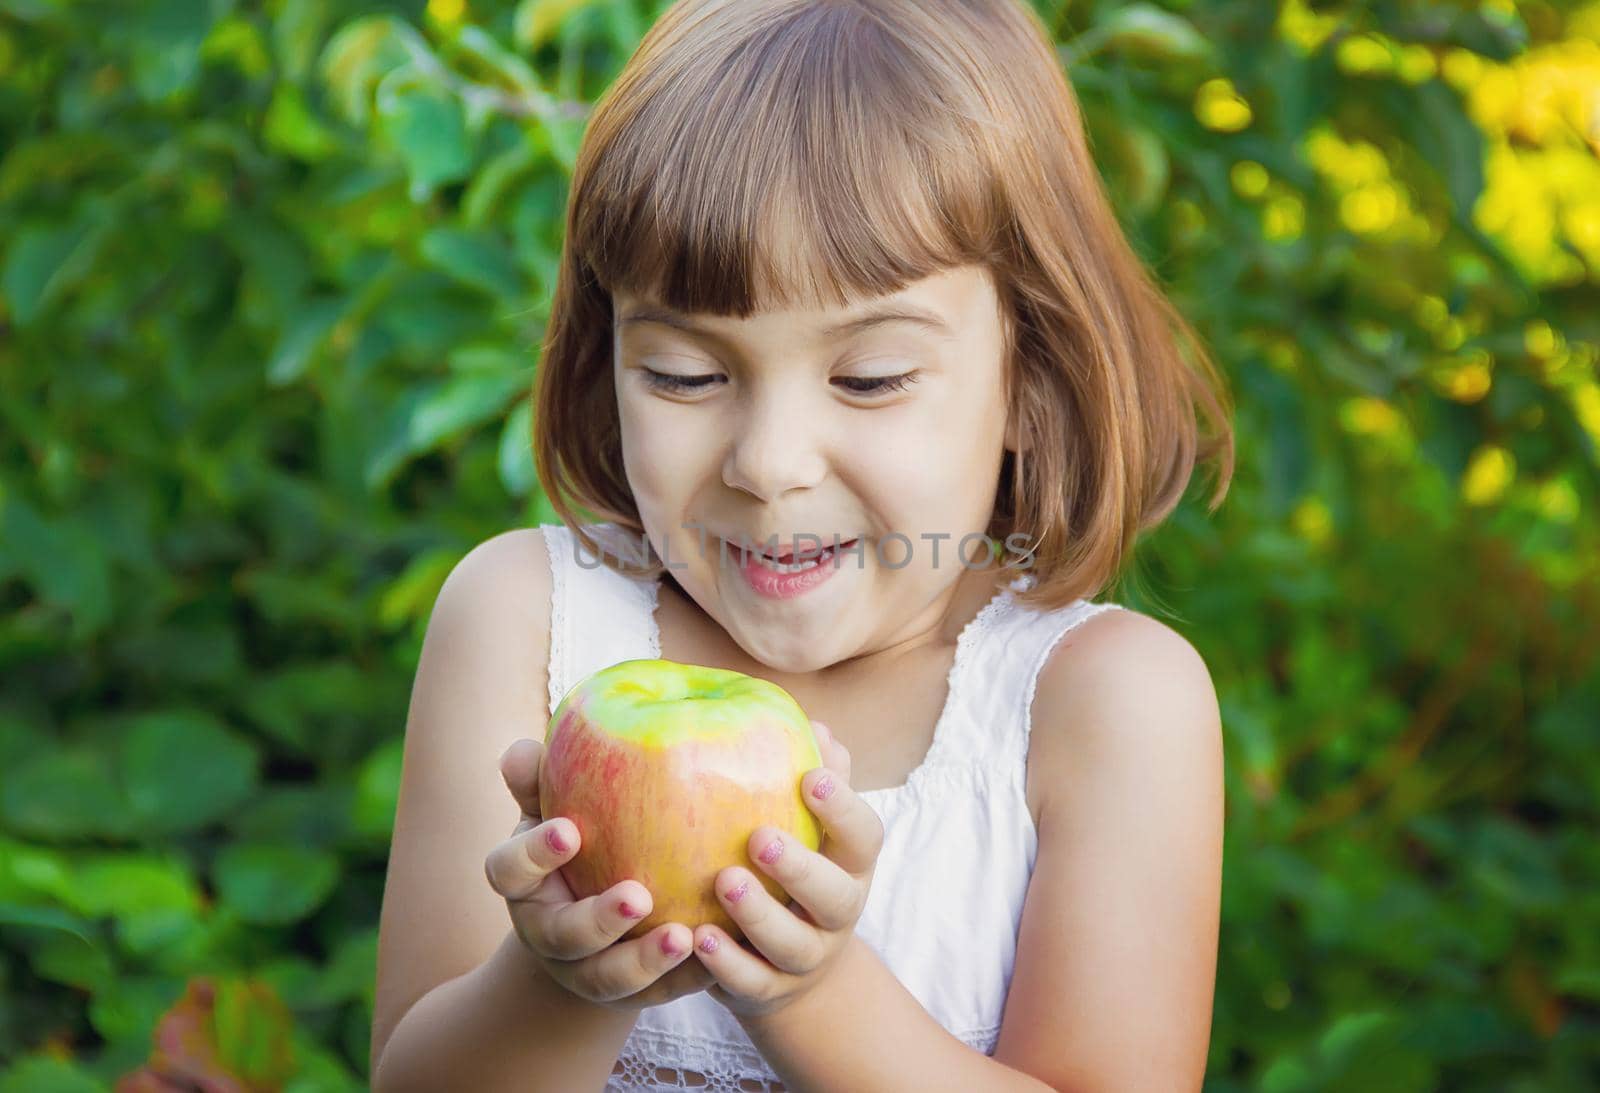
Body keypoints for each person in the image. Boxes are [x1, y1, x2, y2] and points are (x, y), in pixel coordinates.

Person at [370, 0, 1236, 1089]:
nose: (769, 464)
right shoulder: (527, 620)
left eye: (868, 378)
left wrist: (815, 996)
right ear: (607, 360)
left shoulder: (1100, 705)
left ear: (1032, 372)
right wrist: (555, 981)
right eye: (685, 374)